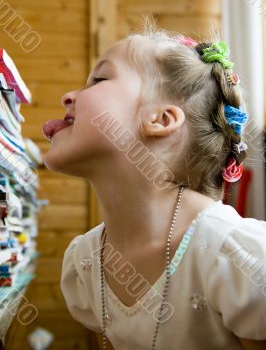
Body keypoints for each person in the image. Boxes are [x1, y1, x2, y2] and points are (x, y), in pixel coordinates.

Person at [42, 22, 266, 350]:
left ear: (160, 120)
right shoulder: (86, 261)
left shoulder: (235, 257)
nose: (68, 96)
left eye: (99, 79)